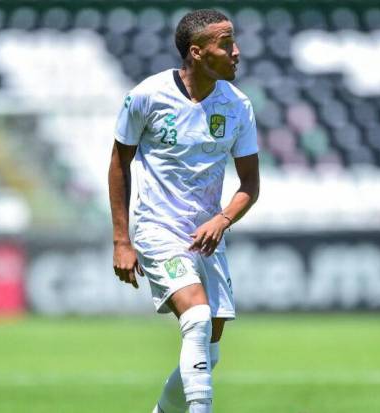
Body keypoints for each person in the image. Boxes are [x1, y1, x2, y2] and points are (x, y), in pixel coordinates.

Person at [108, 8, 260, 413]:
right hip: (158, 229)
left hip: (207, 235)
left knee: (210, 351)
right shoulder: (147, 97)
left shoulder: (238, 106)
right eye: (226, 44)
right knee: (196, 319)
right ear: (196, 52)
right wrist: (122, 240)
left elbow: (250, 184)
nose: (236, 52)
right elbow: (119, 164)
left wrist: (222, 220)